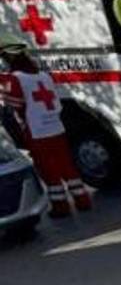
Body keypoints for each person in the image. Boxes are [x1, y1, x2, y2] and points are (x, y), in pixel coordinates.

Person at [0, 46, 92, 217]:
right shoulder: (43, 75)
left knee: (48, 168)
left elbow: (16, 103)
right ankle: (82, 199)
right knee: (66, 164)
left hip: (37, 130)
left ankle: (60, 206)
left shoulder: (16, 78)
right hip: (55, 126)